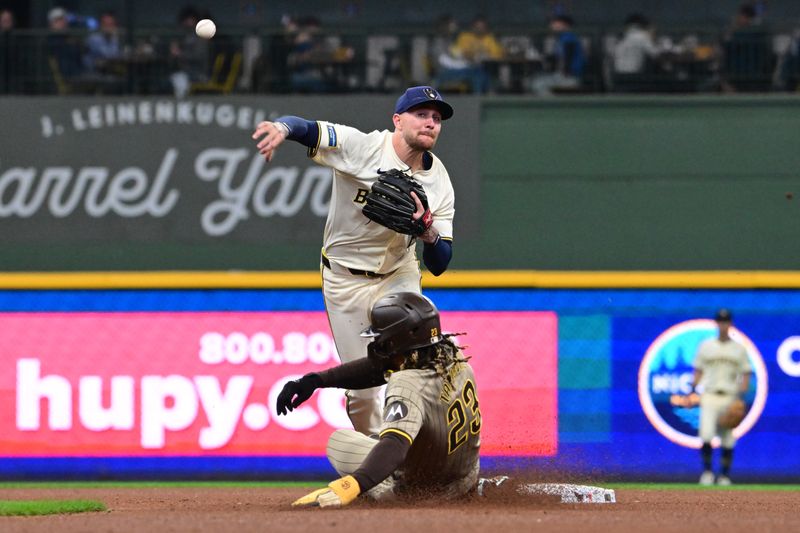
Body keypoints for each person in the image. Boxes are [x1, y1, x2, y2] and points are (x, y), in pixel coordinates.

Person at [251, 85, 456, 436]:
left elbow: (439, 262)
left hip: (398, 274)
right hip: (345, 279)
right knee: (363, 395)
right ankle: (376, 460)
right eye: (421, 114)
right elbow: (306, 128)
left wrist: (428, 233)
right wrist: (283, 129)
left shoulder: (439, 182)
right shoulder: (362, 147)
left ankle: (425, 455)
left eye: (436, 118)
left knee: (414, 370)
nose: (430, 123)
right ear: (397, 120)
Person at [277, 292, 481, 506]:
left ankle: (380, 486)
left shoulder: (406, 382)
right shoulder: (452, 354)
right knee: (386, 439)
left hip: (419, 494)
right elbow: (376, 369)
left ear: (398, 340)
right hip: (466, 479)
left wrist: (351, 486)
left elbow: (395, 445)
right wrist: (317, 379)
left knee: (338, 442)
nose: (377, 344)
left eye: (382, 339)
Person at [691, 309, 752, 486]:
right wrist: (692, 390)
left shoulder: (739, 348)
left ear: (730, 324)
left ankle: (724, 475)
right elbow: (698, 370)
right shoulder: (706, 345)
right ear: (716, 324)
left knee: (727, 438)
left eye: (726, 321)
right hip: (709, 395)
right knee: (706, 434)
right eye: (720, 321)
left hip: (730, 396)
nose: (723, 324)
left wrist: (741, 397)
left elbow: (746, 373)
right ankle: (708, 473)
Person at [720, 3, 772, 92]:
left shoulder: (741, 34)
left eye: (739, 16)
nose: (737, 18)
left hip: (740, 79)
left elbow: (727, 45)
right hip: (759, 78)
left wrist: (732, 29)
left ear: (745, 16)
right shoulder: (762, 32)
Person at [531, 14, 585, 96]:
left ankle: (553, 105)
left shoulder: (569, 38)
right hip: (564, 75)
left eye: (555, 23)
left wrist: (563, 74)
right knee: (534, 80)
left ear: (564, 25)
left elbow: (568, 59)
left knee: (538, 84)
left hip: (571, 78)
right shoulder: (562, 38)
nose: (552, 25)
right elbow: (556, 58)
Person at [612, 13, 661, 91]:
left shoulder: (623, 36)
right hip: (633, 77)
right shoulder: (642, 36)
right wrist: (652, 37)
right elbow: (655, 53)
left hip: (618, 76)